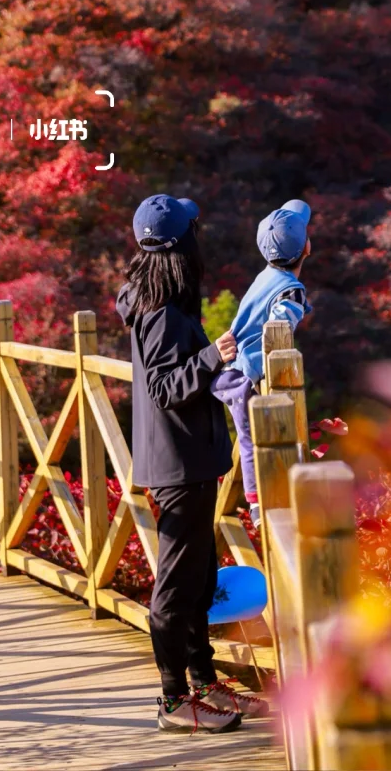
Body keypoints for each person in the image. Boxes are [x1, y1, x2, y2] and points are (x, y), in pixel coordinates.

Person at [117, 194, 269, 734]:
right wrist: (214, 356)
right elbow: (163, 388)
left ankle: (204, 681)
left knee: (200, 581)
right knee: (176, 589)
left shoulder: (157, 299)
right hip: (178, 464)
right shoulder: (160, 313)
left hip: (188, 460)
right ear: (184, 246)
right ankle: (172, 699)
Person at [211, 199, 313, 527]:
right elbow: (278, 332)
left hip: (230, 370)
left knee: (256, 435)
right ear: (306, 247)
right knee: (253, 438)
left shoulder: (265, 276)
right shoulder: (290, 292)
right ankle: (258, 506)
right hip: (242, 375)